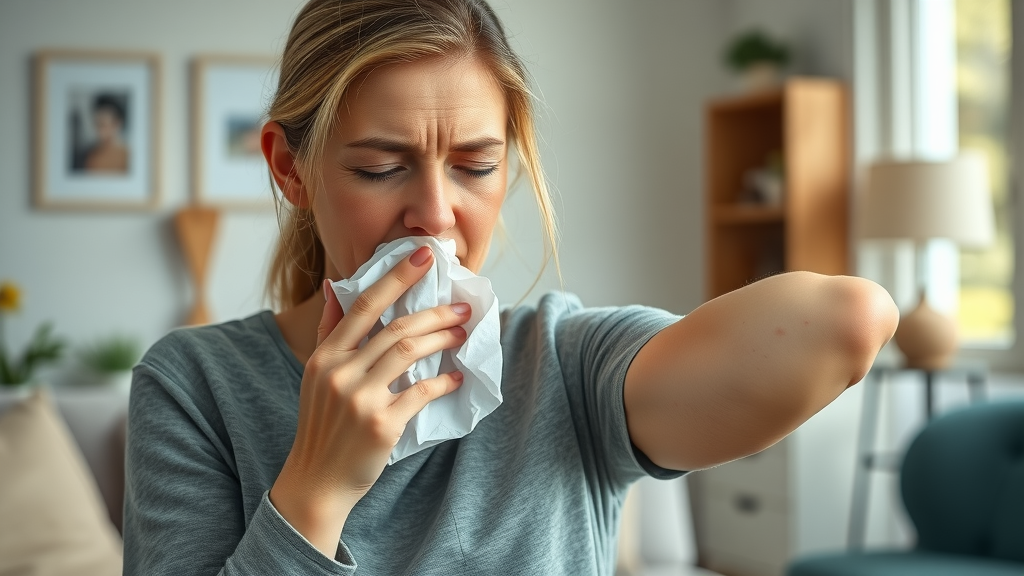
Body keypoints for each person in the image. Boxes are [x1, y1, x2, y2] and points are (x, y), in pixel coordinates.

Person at [122, 1, 899, 574]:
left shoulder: (565, 365)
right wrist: (316, 487)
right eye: (380, 167)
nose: (435, 215)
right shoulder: (194, 385)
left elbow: (847, 321)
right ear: (291, 169)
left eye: (475, 165)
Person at [79, 93, 129, 173]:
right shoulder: (90, 156)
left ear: (117, 124)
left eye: (103, 125)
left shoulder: (127, 156)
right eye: (97, 124)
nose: (99, 131)